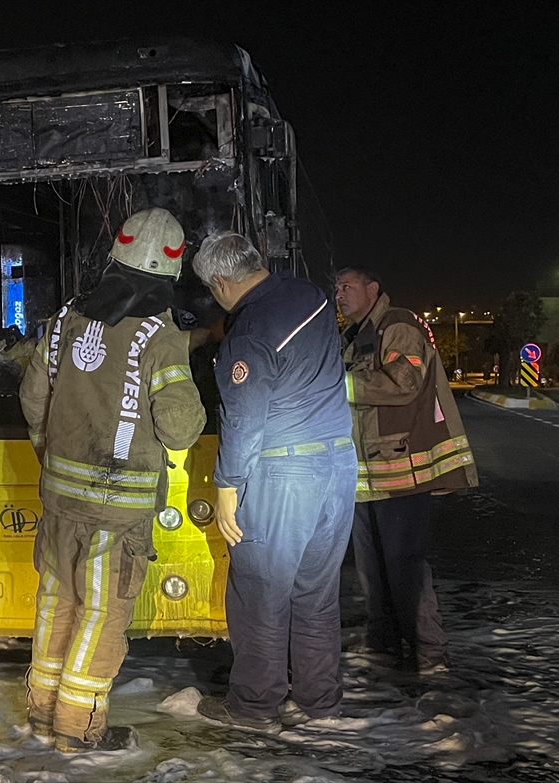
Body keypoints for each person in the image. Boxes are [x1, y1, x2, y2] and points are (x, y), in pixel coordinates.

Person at [19, 208, 206, 752]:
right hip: (117, 511)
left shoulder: (61, 322)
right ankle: (78, 731)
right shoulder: (160, 333)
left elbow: (34, 399)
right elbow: (178, 429)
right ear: (173, 269)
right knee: (101, 616)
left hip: (59, 501)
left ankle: (41, 715)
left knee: (56, 604)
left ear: (116, 253)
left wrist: (48, 455)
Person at [190, 232, 356, 732]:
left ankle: (254, 707)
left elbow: (244, 419)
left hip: (282, 474)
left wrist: (226, 487)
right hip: (337, 465)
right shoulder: (309, 296)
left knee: (259, 594)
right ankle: (319, 701)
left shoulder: (250, 332)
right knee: (316, 593)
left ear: (220, 281)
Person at [334, 266, 477, 673]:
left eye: (348, 286)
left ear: (373, 289)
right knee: (371, 569)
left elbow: (404, 383)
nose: (340, 294)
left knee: (405, 565)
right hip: (364, 478)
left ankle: (429, 651)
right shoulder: (353, 335)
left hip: (400, 472)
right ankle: (383, 643)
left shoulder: (398, 325)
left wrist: (336, 385)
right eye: (336, 288)